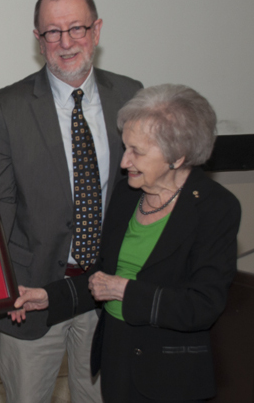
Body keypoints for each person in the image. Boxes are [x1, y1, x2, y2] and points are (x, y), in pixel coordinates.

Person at [15, 84, 241, 403]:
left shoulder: (215, 207)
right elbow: (103, 275)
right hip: (117, 360)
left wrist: (125, 291)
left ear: (178, 156)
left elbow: (203, 305)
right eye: (125, 148)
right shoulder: (127, 194)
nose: (124, 162)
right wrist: (48, 296)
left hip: (169, 375)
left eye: (137, 151)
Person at [0, 0, 143, 403]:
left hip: (106, 291)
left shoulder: (131, 95)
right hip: (32, 296)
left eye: (76, 28)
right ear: (38, 40)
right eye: (53, 32)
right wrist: (4, 289)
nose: (66, 42)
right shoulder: (6, 106)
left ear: (97, 30)